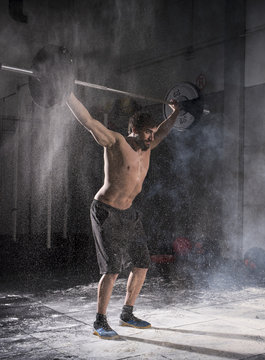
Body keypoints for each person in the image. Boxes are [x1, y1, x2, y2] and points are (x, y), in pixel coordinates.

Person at [66, 92, 179, 340]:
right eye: (147, 132)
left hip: (129, 213)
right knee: (112, 269)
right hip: (106, 210)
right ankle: (100, 321)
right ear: (134, 130)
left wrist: (177, 112)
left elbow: (164, 129)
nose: (152, 136)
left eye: (152, 132)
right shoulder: (116, 142)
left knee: (142, 263)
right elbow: (88, 122)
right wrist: (67, 94)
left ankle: (127, 314)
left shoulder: (148, 146)